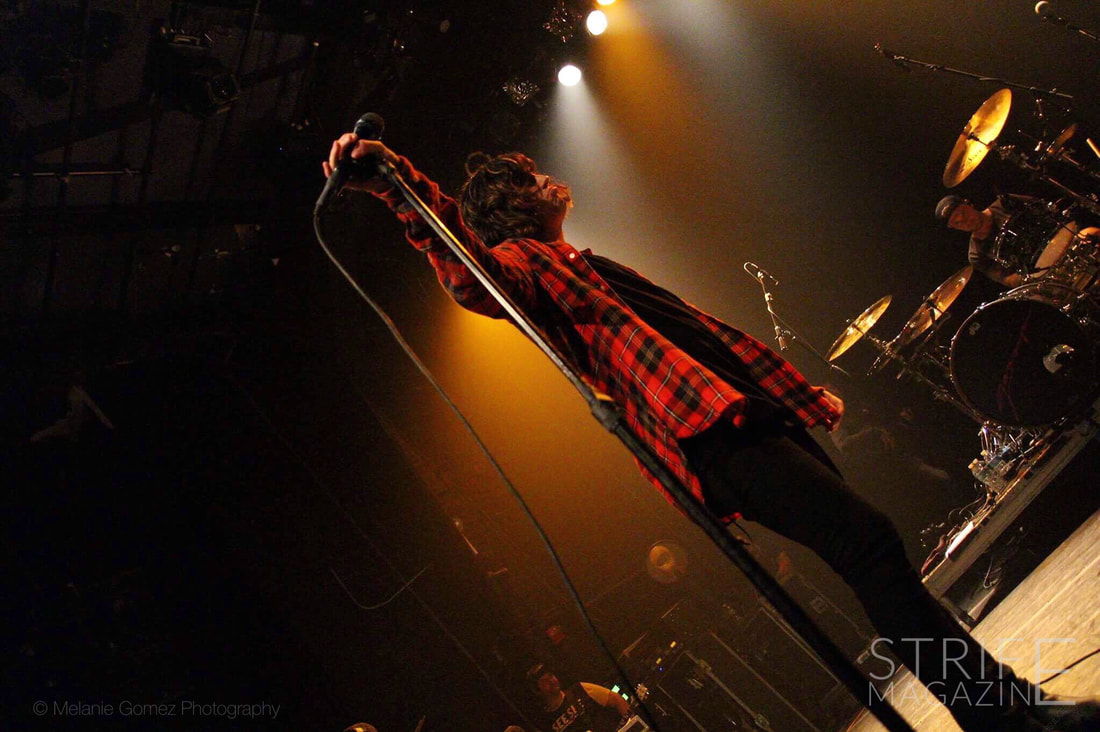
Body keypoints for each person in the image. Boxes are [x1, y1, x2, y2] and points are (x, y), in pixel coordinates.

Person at [325, 134, 1099, 731]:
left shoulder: (579, 258)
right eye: (529, 179)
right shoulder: (522, 261)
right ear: (512, 206)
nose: (547, 178)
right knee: (869, 546)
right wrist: (399, 185)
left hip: (741, 415)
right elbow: (470, 274)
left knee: (874, 552)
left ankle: (1008, 707)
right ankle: (1002, 717)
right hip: (712, 439)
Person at [935, 193, 1097, 289]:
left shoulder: (1004, 203)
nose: (965, 221)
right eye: (957, 222)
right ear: (953, 227)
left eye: (963, 213)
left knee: (1094, 232)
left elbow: (1046, 209)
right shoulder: (976, 254)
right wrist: (1040, 279)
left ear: (968, 204)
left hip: (1070, 242)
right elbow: (1006, 278)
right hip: (1050, 276)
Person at [525, 662, 628, 732]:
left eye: (551, 676)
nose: (551, 681)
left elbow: (616, 699)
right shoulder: (546, 722)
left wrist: (631, 724)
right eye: (545, 681)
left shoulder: (579, 690)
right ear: (538, 690)